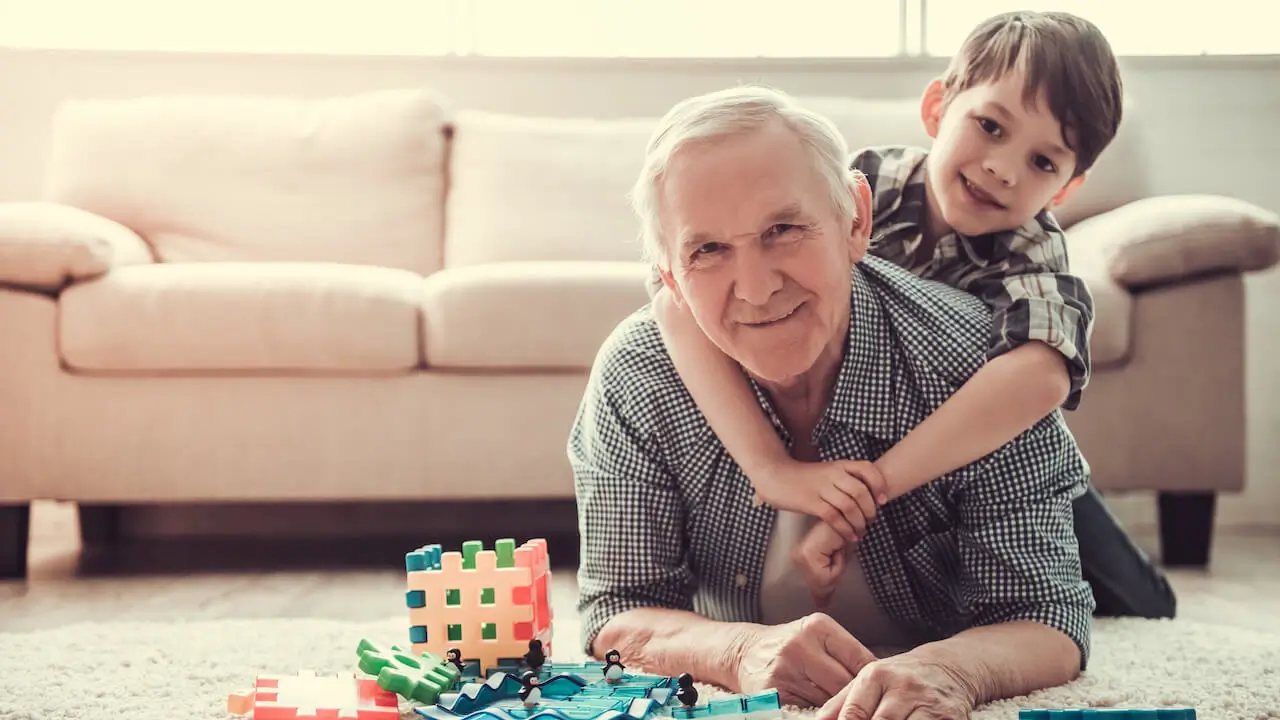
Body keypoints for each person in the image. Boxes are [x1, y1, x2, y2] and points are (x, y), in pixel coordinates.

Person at [569, 81, 1095, 717]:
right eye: (708, 249)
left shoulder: (983, 371)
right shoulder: (639, 375)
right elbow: (615, 612)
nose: (758, 289)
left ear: (857, 221)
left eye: (784, 229)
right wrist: (738, 652)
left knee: (1121, 579)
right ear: (669, 278)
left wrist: (948, 668)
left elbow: (1044, 614)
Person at [647, 10, 1176, 620]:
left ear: (1064, 191)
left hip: (990, 453)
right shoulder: (866, 182)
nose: (1003, 167)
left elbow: (1042, 377)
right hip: (865, 418)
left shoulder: (1033, 249)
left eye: (1043, 163)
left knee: (1130, 597)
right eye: (990, 126)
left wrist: (876, 486)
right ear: (936, 108)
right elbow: (672, 301)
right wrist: (770, 468)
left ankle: (1137, 592)